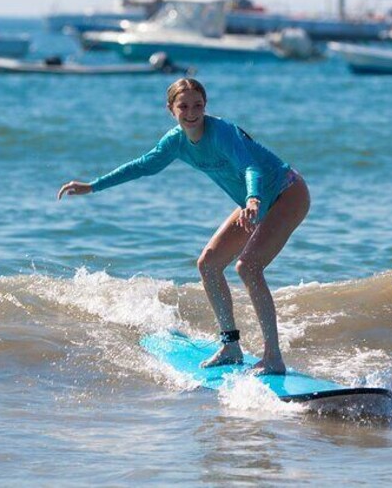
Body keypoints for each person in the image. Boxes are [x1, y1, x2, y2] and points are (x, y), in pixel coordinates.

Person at [57, 78, 310, 375]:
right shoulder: (175, 142)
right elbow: (141, 166)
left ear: (206, 106)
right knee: (209, 264)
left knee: (248, 267)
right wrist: (93, 187)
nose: (191, 113)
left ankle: (273, 358)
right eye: (184, 106)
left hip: (286, 192)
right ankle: (230, 346)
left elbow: (250, 167)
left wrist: (253, 198)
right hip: (254, 203)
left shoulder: (222, 133)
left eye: (198, 105)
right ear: (170, 109)